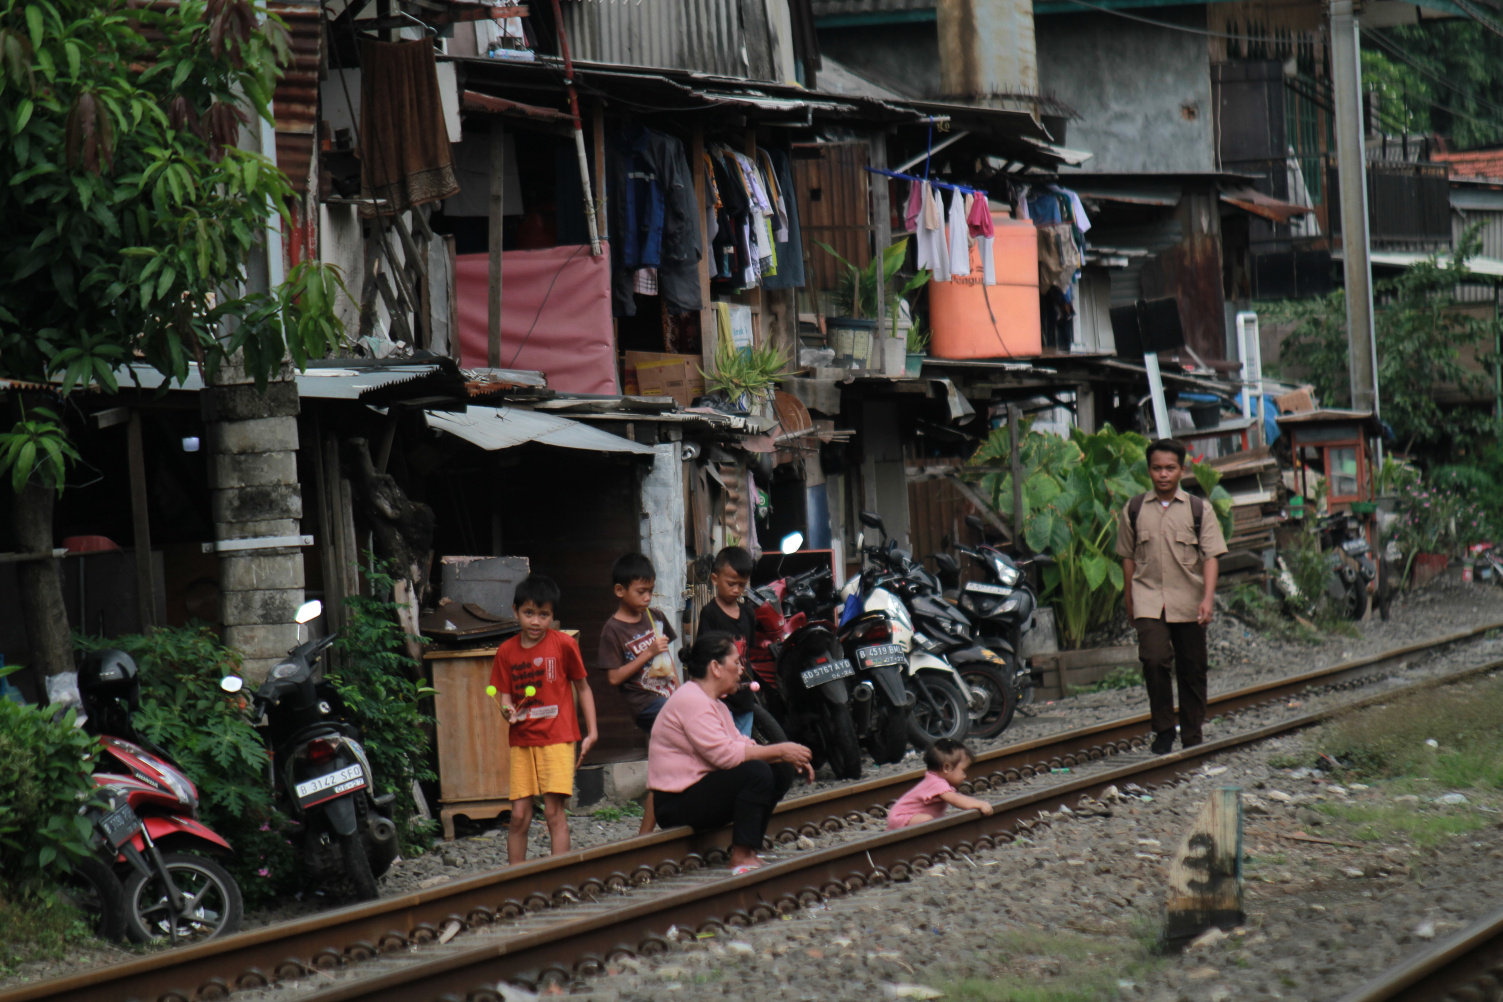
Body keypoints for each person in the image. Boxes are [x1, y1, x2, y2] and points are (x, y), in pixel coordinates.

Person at [648, 632, 814, 874]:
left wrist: (787, 757)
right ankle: (740, 855)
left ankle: (750, 850)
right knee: (756, 772)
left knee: (779, 769)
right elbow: (725, 756)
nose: (741, 670)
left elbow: (741, 743)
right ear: (716, 667)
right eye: (736, 663)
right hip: (675, 803)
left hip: (697, 792)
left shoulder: (715, 704)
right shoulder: (691, 700)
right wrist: (780, 749)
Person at [1115, 438, 1228, 754]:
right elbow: (1127, 557)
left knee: (1193, 669)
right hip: (1149, 599)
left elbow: (1212, 556)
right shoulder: (1135, 509)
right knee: (1153, 659)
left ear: (1182, 469)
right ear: (1149, 470)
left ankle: (1192, 734)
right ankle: (1164, 730)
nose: (1163, 475)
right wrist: (1130, 601)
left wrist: (1207, 599)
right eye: (1157, 468)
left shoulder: (1197, 509)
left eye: (1170, 468)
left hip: (1189, 601)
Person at [490, 574, 598, 865]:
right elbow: (504, 698)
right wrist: (507, 712)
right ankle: (516, 884)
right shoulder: (505, 652)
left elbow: (583, 688)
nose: (535, 621)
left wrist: (592, 732)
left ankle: (559, 883)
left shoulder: (564, 645)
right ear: (515, 611)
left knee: (553, 813)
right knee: (518, 817)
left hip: (558, 737)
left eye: (543, 614)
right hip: (522, 741)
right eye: (528, 613)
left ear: (552, 615)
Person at [598, 552, 678, 836]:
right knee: (681, 754)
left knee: (669, 763)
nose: (647, 598)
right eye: (641, 592)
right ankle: (648, 833)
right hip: (646, 704)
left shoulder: (655, 617)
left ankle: (647, 834)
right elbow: (614, 677)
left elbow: (668, 662)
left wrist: (681, 694)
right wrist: (647, 653)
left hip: (670, 699)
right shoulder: (613, 630)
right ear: (620, 591)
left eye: (651, 592)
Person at [697, 545, 758, 736]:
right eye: (731, 583)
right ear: (715, 579)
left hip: (745, 695)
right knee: (725, 745)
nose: (736, 589)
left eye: (741, 584)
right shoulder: (710, 613)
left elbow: (749, 652)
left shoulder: (747, 612)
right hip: (720, 697)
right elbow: (705, 655)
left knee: (743, 744)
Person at [886, 738, 994, 829]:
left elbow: (956, 797)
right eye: (963, 770)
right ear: (946, 768)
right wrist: (979, 804)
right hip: (901, 818)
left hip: (902, 817)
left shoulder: (936, 780)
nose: (965, 776)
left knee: (931, 820)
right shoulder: (936, 783)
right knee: (927, 820)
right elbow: (955, 800)